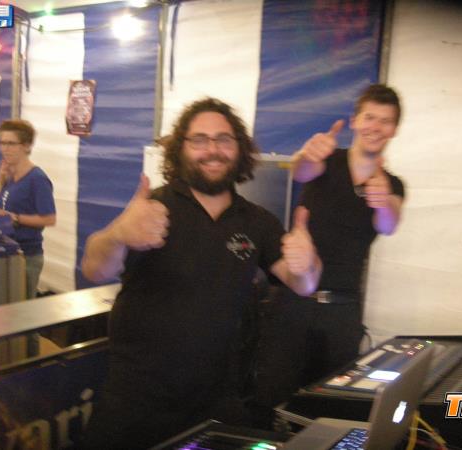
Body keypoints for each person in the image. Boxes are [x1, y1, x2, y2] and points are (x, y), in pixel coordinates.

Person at [80, 97, 321, 449]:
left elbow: (303, 284)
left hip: (216, 402)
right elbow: (94, 269)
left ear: (239, 149)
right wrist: (116, 234)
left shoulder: (256, 221)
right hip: (137, 400)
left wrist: (308, 262)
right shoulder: (152, 210)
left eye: (224, 139)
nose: (212, 150)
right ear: (181, 148)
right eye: (199, 140)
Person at [253, 84, 405, 426]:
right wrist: (307, 154)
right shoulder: (328, 160)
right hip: (293, 302)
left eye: (385, 121)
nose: (375, 127)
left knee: (329, 409)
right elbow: (301, 170)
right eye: (369, 117)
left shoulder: (391, 184)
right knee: (271, 398)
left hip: (342, 312)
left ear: (394, 129)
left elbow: (389, 223)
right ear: (355, 121)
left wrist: (383, 201)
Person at [0, 119, 56, 302]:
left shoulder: (37, 179)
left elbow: (50, 219)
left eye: (11, 143)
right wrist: (0, 183)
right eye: (2, 143)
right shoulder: (9, 176)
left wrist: (16, 218)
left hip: (27, 256)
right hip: (5, 253)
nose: (5, 149)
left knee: (22, 312)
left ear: (26, 146)